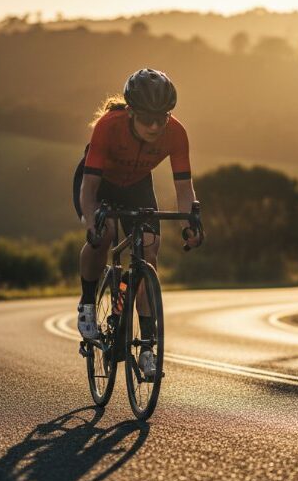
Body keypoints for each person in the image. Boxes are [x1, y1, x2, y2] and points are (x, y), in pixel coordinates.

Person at [73, 68, 202, 378]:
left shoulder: (177, 133)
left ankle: (147, 348)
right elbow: (89, 189)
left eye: (163, 117)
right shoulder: (108, 126)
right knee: (103, 235)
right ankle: (88, 303)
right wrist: (91, 221)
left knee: (150, 250)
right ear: (130, 112)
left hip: (136, 186)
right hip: (99, 183)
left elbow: (184, 189)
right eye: (147, 118)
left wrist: (190, 223)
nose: (156, 126)